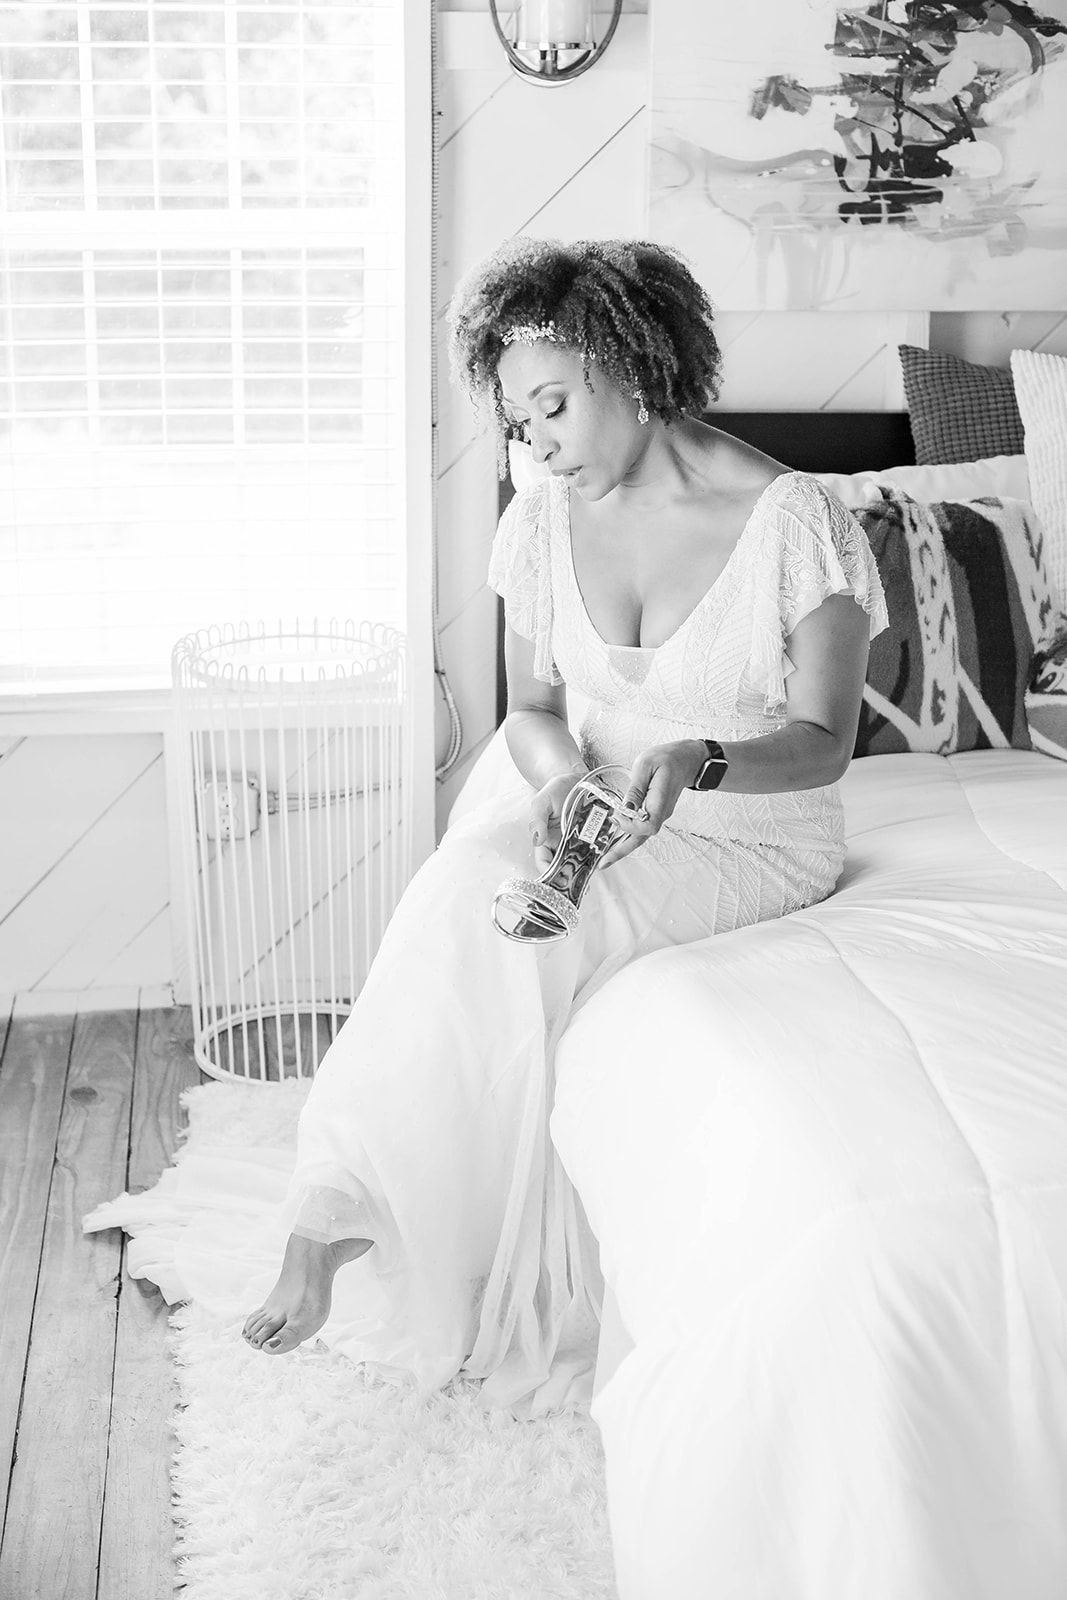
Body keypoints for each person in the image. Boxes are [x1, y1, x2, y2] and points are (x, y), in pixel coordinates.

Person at [86, 237, 888, 1421]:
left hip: (745, 831)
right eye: (517, 421)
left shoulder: (793, 520)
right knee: (466, 887)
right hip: (585, 795)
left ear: (632, 363)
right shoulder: (537, 518)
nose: (535, 444)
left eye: (551, 407)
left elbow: (823, 738)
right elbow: (530, 713)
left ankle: (375, 1213)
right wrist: (563, 781)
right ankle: (336, 1207)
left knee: (530, 931)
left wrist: (694, 756)